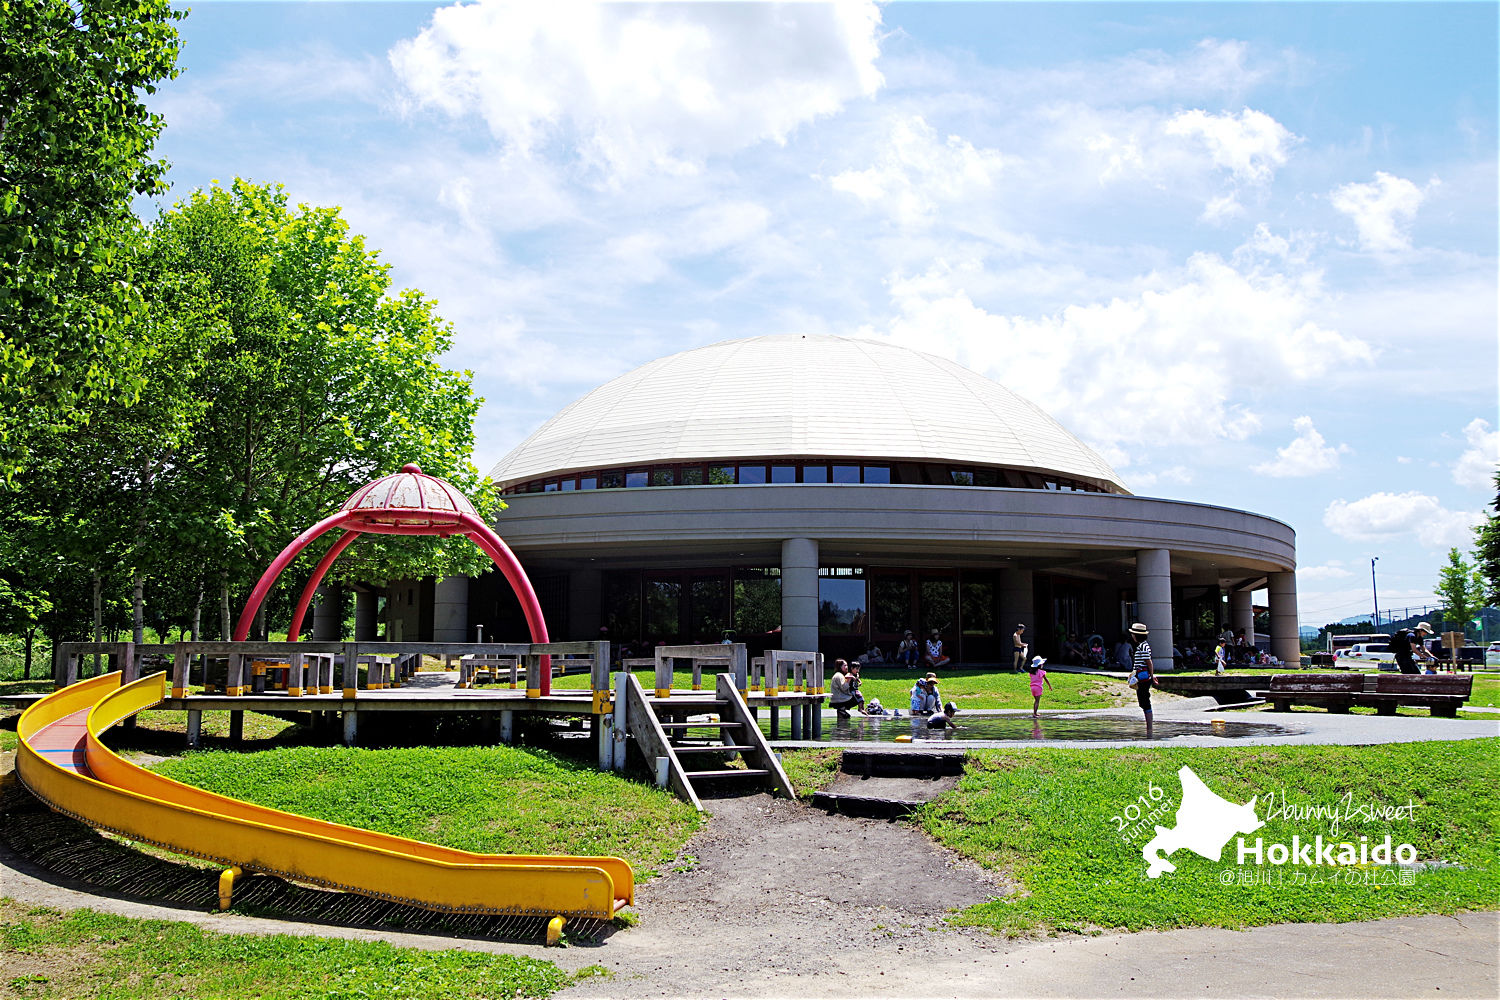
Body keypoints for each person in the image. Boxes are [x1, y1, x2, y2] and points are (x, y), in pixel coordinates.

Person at [1128, 621, 1158, 732]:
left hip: (1143, 678)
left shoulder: (1143, 647)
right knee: (1143, 701)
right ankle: (1148, 726)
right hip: (1142, 676)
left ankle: (1149, 727)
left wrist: (1151, 675)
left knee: (1145, 701)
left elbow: (1148, 662)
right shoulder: (1143, 646)